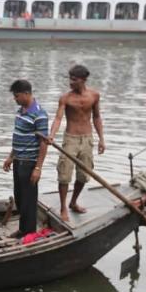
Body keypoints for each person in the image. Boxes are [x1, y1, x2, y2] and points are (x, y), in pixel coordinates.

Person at [48, 65, 106, 222]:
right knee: (64, 175)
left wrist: (101, 139)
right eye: (70, 79)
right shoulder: (66, 98)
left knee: (83, 175)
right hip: (70, 139)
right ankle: (63, 207)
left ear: (83, 80)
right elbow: (58, 118)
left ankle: (73, 202)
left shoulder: (94, 95)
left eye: (74, 80)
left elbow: (97, 117)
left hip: (87, 139)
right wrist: (51, 135)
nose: (70, 82)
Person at [2, 80, 49, 237]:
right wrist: (10, 157)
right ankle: (24, 228)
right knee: (19, 197)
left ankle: (28, 232)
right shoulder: (20, 111)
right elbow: (18, 135)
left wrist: (38, 168)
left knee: (28, 199)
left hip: (29, 162)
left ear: (26, 94)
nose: (15, 99)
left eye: (17, 96)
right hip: (18, 160)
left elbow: (43, 143)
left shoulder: (39, 114)